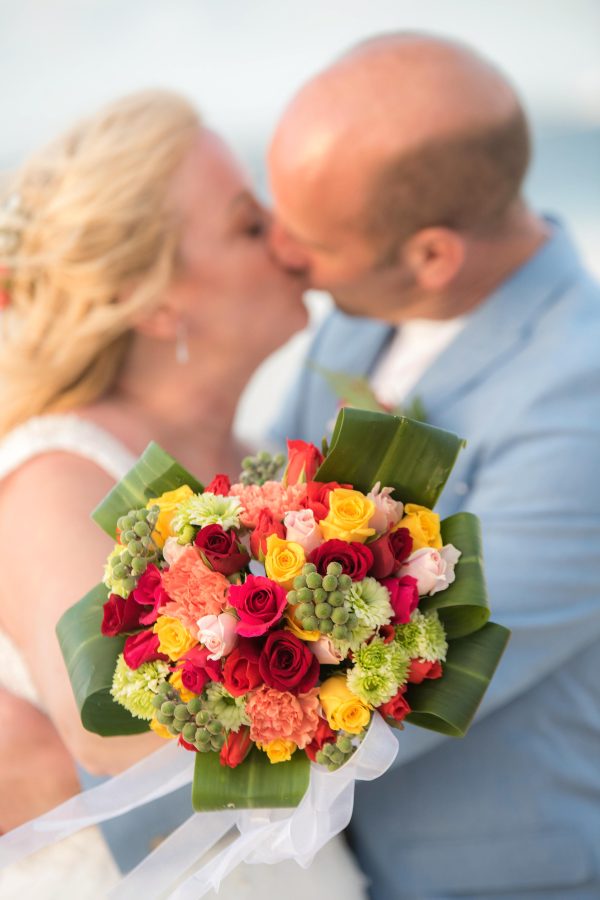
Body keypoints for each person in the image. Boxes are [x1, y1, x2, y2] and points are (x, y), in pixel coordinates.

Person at [0, 90, 367, 898]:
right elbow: (116, 729)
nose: (286, 236)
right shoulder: (60, 475)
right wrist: (375, 652)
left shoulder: (260, 457)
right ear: (160, 300)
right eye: (246, 223)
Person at [267, 33, 600, 899]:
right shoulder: (357, 312)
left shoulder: (581, 403)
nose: (279, 250)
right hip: (323, 863)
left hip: (484, 876)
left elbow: (422, 675)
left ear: (431, 256)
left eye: (310, 240)